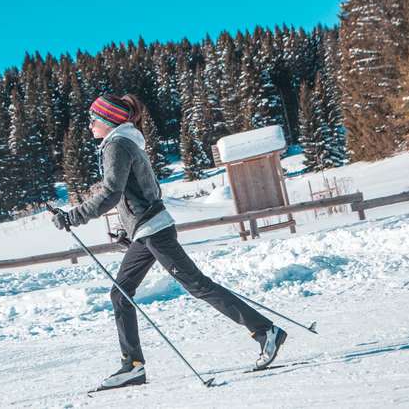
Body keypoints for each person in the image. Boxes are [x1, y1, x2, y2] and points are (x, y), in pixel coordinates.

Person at [51, 94, 287, 390]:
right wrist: (129, 230)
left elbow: (111, 192)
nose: (89, 126)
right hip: (146, 231)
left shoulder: (117, 145)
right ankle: (133, 367)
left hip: (154, 231)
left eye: (93, 120)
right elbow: (144, 190)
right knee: (120, 293)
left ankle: (266, 331)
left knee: (197, 285)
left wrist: (73, 216)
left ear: (108, 120)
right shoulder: (127, 143)